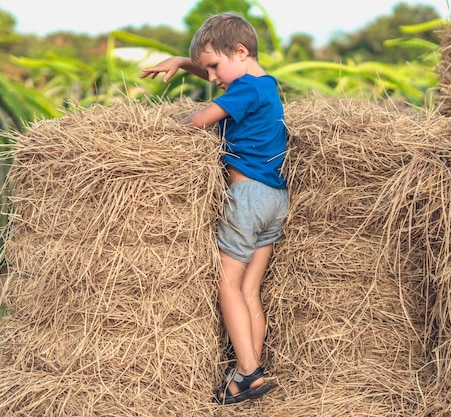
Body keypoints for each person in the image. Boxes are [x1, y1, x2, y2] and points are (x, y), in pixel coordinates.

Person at [139, 11, 288, 405]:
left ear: (240, 52)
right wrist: (181, 63)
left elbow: (198, 120)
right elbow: (223, 73)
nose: (212, 79)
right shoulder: (266, 85)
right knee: (249, 289)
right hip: (275, 201)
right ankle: (251, 368)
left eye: (214, 68)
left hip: (247, 200)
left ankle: (247, 373)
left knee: (227, 284)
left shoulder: (242, 92)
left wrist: (157, 135)